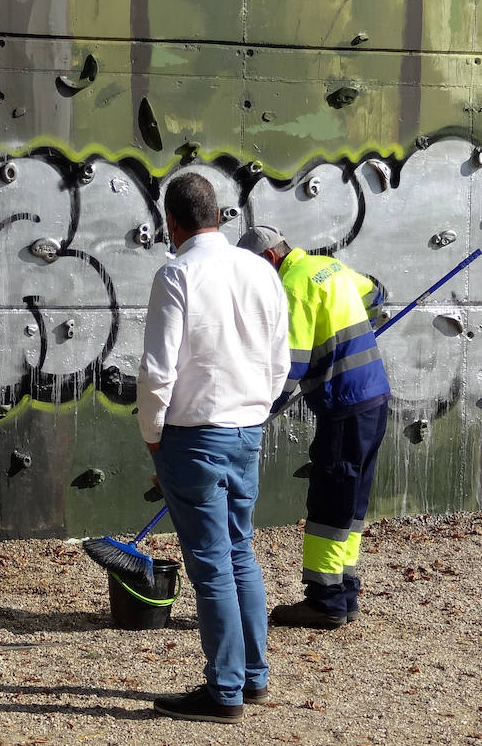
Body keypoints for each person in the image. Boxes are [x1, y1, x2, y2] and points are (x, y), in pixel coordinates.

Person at [137, 174, 289, 724]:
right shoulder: (260, 270)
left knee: (210, 565)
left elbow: (158, 370)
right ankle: (253, 677)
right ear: (220, 216)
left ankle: (223, 691)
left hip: (192, 435)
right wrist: (255, 412)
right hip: (247, 429)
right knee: (240, 550)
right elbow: (279, 361)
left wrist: (153, 434)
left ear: (170, 222)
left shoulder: (177, 273)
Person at [236, 224, 391, 629]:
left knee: (329, 502)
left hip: (344, 405)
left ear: (270, 258)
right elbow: (375, 291)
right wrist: (362, 326)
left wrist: (253, 415)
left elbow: (289, 368)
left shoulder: (291, 289)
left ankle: (325, 602)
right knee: (352, 500)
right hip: (374, 397)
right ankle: (345, 590)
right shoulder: (326, 266)